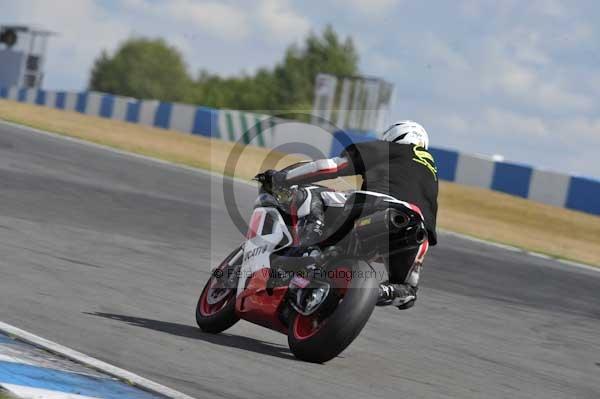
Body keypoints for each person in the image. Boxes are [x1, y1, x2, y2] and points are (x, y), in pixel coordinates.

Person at [270, 120, 438, 310]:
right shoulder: (431, 170)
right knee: (407, 292)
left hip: (374, 205)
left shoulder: (391, 148)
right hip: (416, 228)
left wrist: (283, 178)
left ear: (395, 136)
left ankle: (308, 248)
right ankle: (378, 291)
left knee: (311, 192)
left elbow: (332, 167)